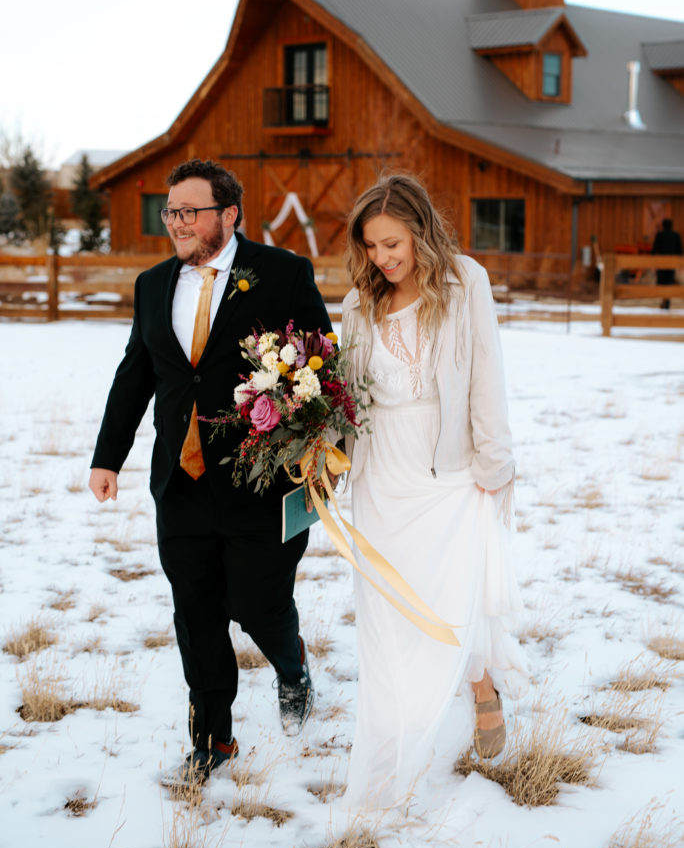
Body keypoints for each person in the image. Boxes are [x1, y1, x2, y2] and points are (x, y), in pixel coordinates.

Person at [89, 158, 332, 784]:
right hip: (181, 484)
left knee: (259, 602)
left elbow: (322, 368)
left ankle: (291, 661)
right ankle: (212, 739)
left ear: (229, 214)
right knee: (195, 616)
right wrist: (107, 457)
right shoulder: (152, 285)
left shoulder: (281, 274)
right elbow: (135, 375)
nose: (177, 223)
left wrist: (316, 450)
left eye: (190, 211)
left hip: (261, 482)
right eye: (171, 212)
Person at [340, 173, 528, 812]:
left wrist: (493, 459)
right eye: (371, 247)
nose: (383, 259)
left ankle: (481, 687)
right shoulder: (356, 305)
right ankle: (398, 734)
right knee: (391, 607)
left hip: (447, 467)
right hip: (381, 475)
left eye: (392, 244)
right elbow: (347, 398)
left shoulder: (464, 282)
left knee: (450, 596)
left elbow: (485, 370)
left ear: (420, 231)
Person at [652, 217, 682, 309]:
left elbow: (654, 249)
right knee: (669, 282)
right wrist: (679, 263)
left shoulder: (660, 235)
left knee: (662, 282)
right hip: (671, 262)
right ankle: (667, 302)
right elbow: (680, 251)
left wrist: (651, 262)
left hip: (661, 262)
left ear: (663, 226)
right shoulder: (676, 235)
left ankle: (664, 301)